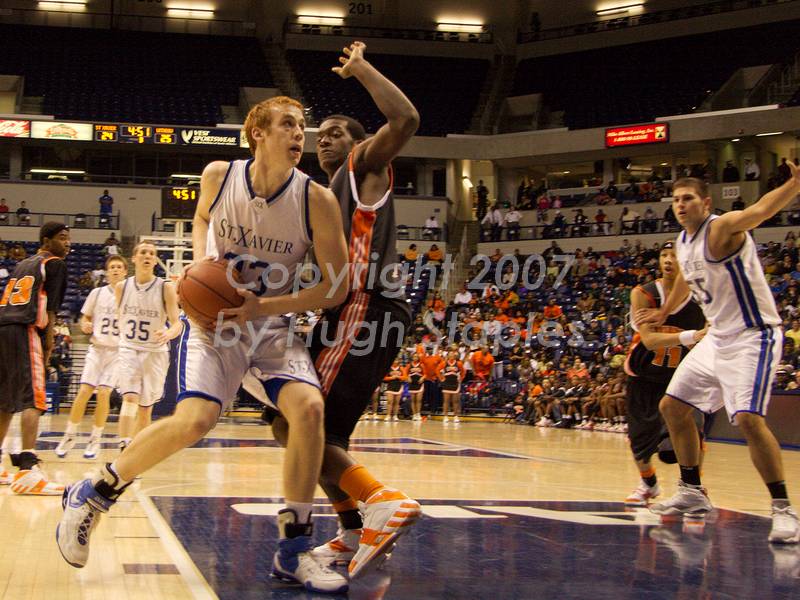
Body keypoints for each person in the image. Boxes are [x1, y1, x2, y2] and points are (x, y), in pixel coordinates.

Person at [57, 95, 352, 594]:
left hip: (269, 324)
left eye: (302, 126)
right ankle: (94, 491)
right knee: (195, 419)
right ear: (257, 132)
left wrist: (263, 307)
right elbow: (199, 217)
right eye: (287, 125)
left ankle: (293, 551)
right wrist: (201, 266)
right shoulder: (218, 175)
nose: (299, 134)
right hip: (214, 326)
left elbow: (338, 286)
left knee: (308, 410)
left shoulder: (315, 200)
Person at [270, 42, 422, 580]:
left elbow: (405, 118)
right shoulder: (324, 196)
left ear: (360, 143)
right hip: (356, 311)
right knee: (302, 426)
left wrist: (360, 70)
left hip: (363, 307)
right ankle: (354, 528)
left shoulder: (362, 166)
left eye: (336, 131)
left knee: (302, 426)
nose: (325, 139)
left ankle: (381, 502)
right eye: (322, 133)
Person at [638, 173, 800, 543]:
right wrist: (665, 312)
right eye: (676, 199)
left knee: (746, 419)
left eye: (689, 198)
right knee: (672, 407)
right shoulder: (682, 242)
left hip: (753, 336)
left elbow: (760, 210)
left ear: (706, 204)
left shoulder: (722, 229)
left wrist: (794, 185)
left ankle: (784, 510)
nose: (681, 204)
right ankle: (692, 491)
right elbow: (685, 278)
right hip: (718, 336)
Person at [623, 243, 707, 506]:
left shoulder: (700, 296)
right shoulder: (644, 294)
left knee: (692, 431)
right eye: (663, 255)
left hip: (682, 374)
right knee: (639, 440)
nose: (668, 260)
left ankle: (695, 487)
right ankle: (649, 484)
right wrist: (692, 336)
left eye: (674, 256)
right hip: (644, 374)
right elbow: (648, 341)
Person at [0, 222, 70, 494]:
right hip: (25, 328)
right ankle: (28, 469)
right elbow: (50, 308)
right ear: (46, 240)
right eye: (62, 238)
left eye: (68, 238)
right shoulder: (55, 264)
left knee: (5, 400)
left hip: (3, 326)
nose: (67, 243)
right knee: (34, 397)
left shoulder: (23, 264)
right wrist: (49, 340)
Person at [54, 255, 128, 459]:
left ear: (124, 272)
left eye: (118, 267)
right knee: (85, 391)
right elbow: (85, 317)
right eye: (111, 267)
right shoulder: (97, 293)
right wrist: (85, 324)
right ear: (107, 271)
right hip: (96, 349)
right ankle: (70, 435)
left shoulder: (129, 295)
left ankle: (95, 439)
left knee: (104, 393)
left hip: (116, 352)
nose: (115, 270)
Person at [114, 243, 182, 449]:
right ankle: (124, 446)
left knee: (145, 408)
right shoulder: (122, 287)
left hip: (155, 352)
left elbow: (177, 322)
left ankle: (136, 451)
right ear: (134, 258)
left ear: (155, 260)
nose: (147, 256)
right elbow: (120, 318)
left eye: (151, 254)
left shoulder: (165, 287)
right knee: (130, 397)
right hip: (129, 348)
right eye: (143, 252)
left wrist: (169, 332)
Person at [439, 350, 465, 423]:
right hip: (446, 383)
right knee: (446, 401)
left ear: (455, 356)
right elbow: (437, 370)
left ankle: (455, 416)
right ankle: (445, 416)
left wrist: (461, 378)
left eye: (453, 355)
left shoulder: (459, 364)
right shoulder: (444, 363)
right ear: (447, 356)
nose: (451, 356)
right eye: (450, 355)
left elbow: (463, 372)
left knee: (455, 401)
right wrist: (441, 379)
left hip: (455, 383)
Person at [405, 353, 425, 421]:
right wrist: (408, 377)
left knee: (418, 400)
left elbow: (425, 374)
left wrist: (422, 378)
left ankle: (418, 414)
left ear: (418, 358)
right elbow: (405, 373)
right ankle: (414, 414)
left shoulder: (421, 365)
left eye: (416, 356)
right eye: (414, 356)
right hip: (412, 384)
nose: (415, 357)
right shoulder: (409, 365)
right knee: (413, 400)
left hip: (419, 384)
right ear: (412, 357)